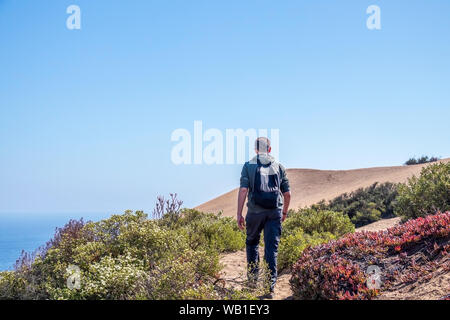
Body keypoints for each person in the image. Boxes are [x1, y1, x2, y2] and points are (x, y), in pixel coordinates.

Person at [236, 137, 291, 298]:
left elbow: (244, 190)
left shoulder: (248, 166)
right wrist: (284, 212)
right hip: (274, 212)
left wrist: (239, 213)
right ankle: (269, 287)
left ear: (255, 150)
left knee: (252, 243)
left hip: (254, 212)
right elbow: (287, 194)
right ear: (269, 149)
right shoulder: (279, 167)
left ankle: (252, 282)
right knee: (271, 249)